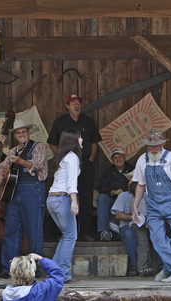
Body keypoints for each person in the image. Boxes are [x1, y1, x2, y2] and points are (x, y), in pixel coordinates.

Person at [131, 129, 171, 283]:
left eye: (157, 145)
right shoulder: (142, 160)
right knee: (157, 239)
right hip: (153, 204)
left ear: (163, 143)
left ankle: (168, 269)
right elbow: (140, 185)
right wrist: (135, 206)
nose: (154, 148)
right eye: (151, 145)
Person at [0, 119, 48, 279]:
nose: (21, 134)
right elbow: (0, 169)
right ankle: (8, 269)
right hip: (14, 193)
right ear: (15, 135)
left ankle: (34, 270)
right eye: (18, 133)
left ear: (28, 132)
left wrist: (21, 161)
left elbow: (38, 165)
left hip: (33, 190)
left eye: (24, 131)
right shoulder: (13, 151)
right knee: (11, 231)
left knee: (34, 232)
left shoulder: (38, 147)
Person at [48, 93, 102, 242]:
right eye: (73, 103)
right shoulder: (60, 122)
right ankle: (63, 233)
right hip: (67, 164)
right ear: (67, 106)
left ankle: (85, 232)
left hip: (85, 163)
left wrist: (90, 158)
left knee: (86, 197)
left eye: (78, 103)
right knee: (65, 196)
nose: (76, 105)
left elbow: (94, 141)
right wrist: (61, 156)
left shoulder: (87, 121)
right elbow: (52, 143)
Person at [47, 128, 82, 283]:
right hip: (62, 198)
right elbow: (71, 183)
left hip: (52, 199)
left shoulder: (62, 157)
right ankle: (63, 274)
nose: (82, 140)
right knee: (71, 236)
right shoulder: (72, 157)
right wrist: (74, 201)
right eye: (80, 137)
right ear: (74, 140)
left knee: (66, 235)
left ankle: (53, 270)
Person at [112, 181, 155, 277]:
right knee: (141, 242)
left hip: (139, 224)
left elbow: (128, 210)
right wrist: (136, 218)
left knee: (156, 235)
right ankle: (138, 267)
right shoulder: (125, 196)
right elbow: (118, 214)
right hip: (137, 224)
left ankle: (160, 266)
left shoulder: (140, 197)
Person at [97, 148, 135, 242]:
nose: (118, 159)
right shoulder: (107, 172)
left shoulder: (132, 169)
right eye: (115, 158)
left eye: (120, 157)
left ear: (125, 157)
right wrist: (113, 191)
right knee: (101, 198)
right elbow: (102, 187)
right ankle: (104, 232)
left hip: (129, 200)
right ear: (112, 160)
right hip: (113, 200)